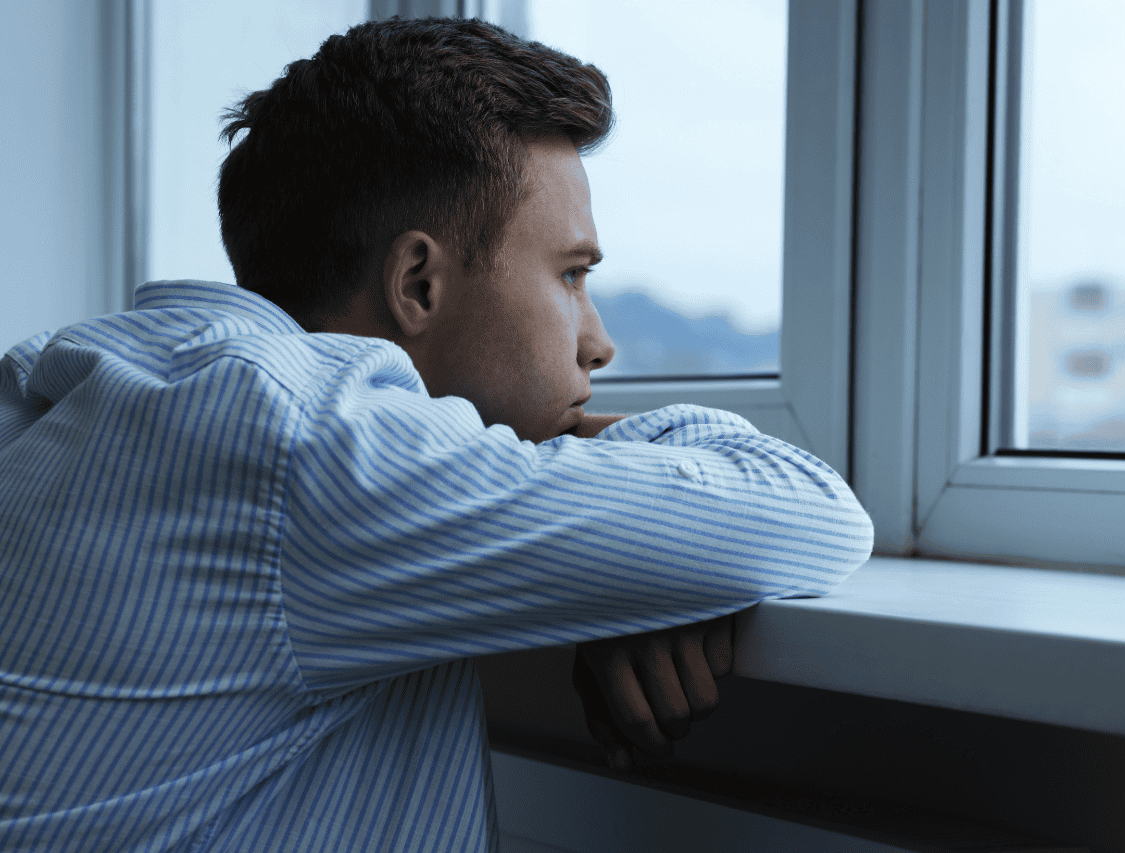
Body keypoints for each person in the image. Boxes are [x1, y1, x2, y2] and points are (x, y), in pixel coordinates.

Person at [0, 15, 873, 853]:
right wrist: (642, 519)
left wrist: (625, 564)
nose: (599, 342)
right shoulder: (312, 443)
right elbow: (814, 512)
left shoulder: (85, 382)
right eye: (571, 275)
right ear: (417, 283)